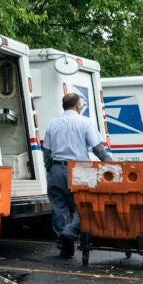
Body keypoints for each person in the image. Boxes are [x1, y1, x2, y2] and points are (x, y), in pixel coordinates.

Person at [42, 92, 113, 258]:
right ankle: (70, 231)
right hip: (80, 170)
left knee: (59, 208)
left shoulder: (52, 124)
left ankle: (63, 245)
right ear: (78, 105)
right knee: (84, 207)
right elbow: (98, 149)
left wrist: (49, 170)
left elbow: (47, 151)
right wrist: (110, 164)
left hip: (57, 169)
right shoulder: (85, 122)